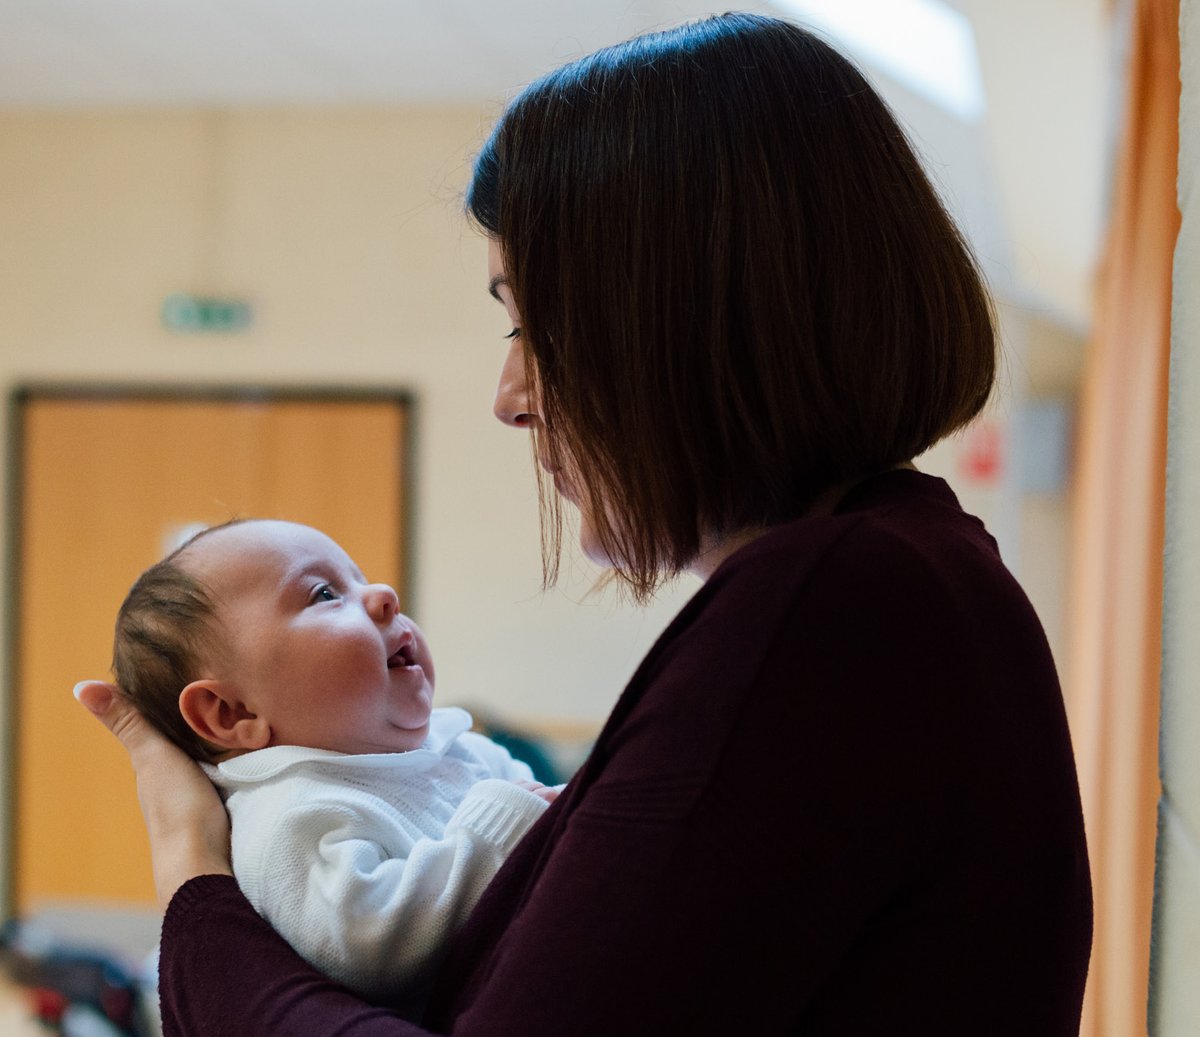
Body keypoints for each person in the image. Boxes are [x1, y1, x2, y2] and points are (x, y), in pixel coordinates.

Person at [76, 12, 1092, 1035]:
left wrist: (191, 877)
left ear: (694, 315)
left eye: (537, 325)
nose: (512, 395)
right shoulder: (904, 577)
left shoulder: (836, 608)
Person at [110, 518, 558, 1017]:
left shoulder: (452, 749)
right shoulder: (289, 813)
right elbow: (365, 943)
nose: (384, 594)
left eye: (361, 578)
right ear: (234, 713)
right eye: (325, 594)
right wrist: (497, 829)